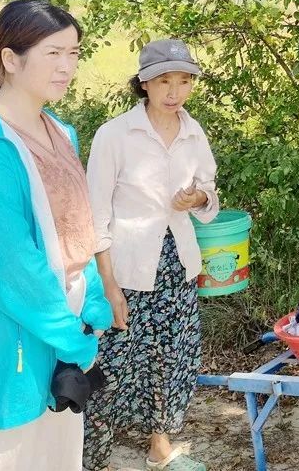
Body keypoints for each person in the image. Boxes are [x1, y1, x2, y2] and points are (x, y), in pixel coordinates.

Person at [0, 0, 112, 471]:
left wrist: (92, 297)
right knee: (8, 452)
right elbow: (9, 264)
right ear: (10, 60)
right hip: (7, 325)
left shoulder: (60, 132)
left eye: (73, 53)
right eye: (53, 53)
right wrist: (70, 336)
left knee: (56, 453)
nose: (67, 67)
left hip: (62, 317)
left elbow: (76, 224)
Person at [83, 39, 219, 471]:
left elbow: (209, 191)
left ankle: (159, 446)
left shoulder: (193, 133)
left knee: (170, 357)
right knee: (111, 362)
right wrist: (107, 284)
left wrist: (198, 198)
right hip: (126, 269)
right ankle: (91, 456)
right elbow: (95, 214)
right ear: (144, 83)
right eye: (164, 81)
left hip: (177, 265)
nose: (175, 92)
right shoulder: (115, 135)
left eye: (184, 81)